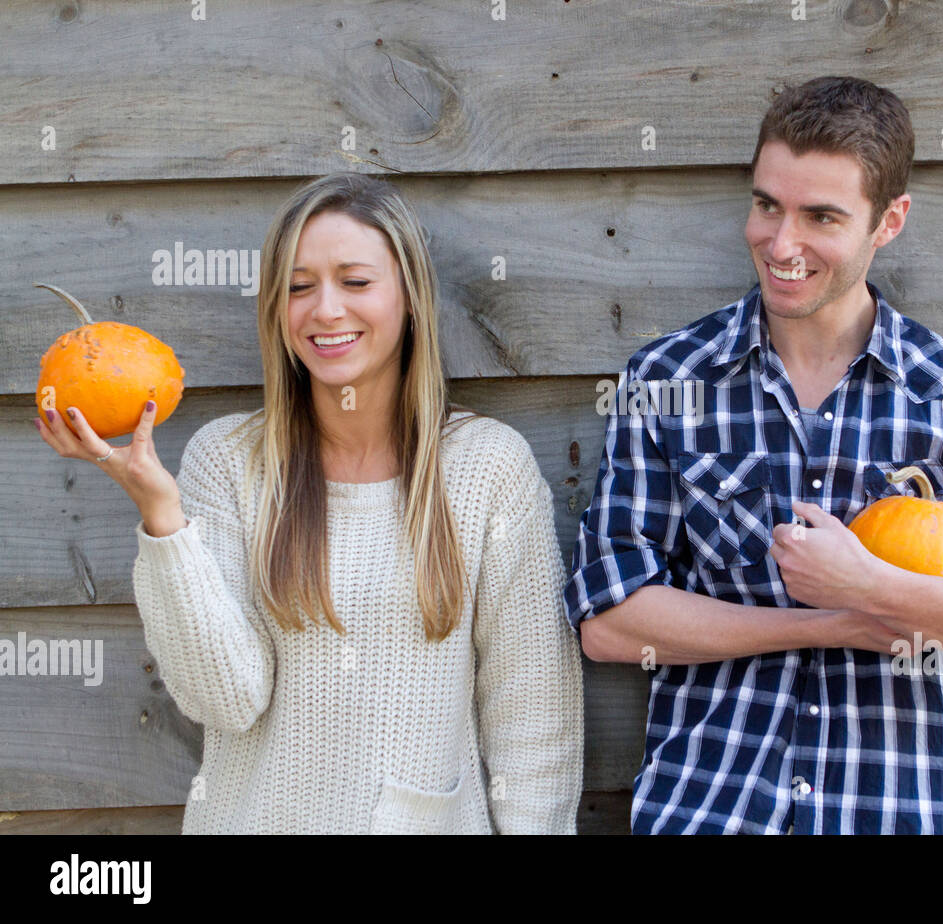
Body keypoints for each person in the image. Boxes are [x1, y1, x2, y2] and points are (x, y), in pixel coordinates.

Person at [564, 77, 943, 834]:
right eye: (766, 205)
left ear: (890, 220)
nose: (781, 245)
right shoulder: (667, 382)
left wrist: (870, 583)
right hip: (711, 810)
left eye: (821, 216)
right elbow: (612, 623)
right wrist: (831, 621)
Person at [36, 171, 583, 834]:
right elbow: (227, 698)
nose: (325, 309)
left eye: (355, 282)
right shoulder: (227, 460)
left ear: (410, 297)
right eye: (299, 287)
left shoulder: (487, 467)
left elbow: (534, 720)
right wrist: (162, 516)